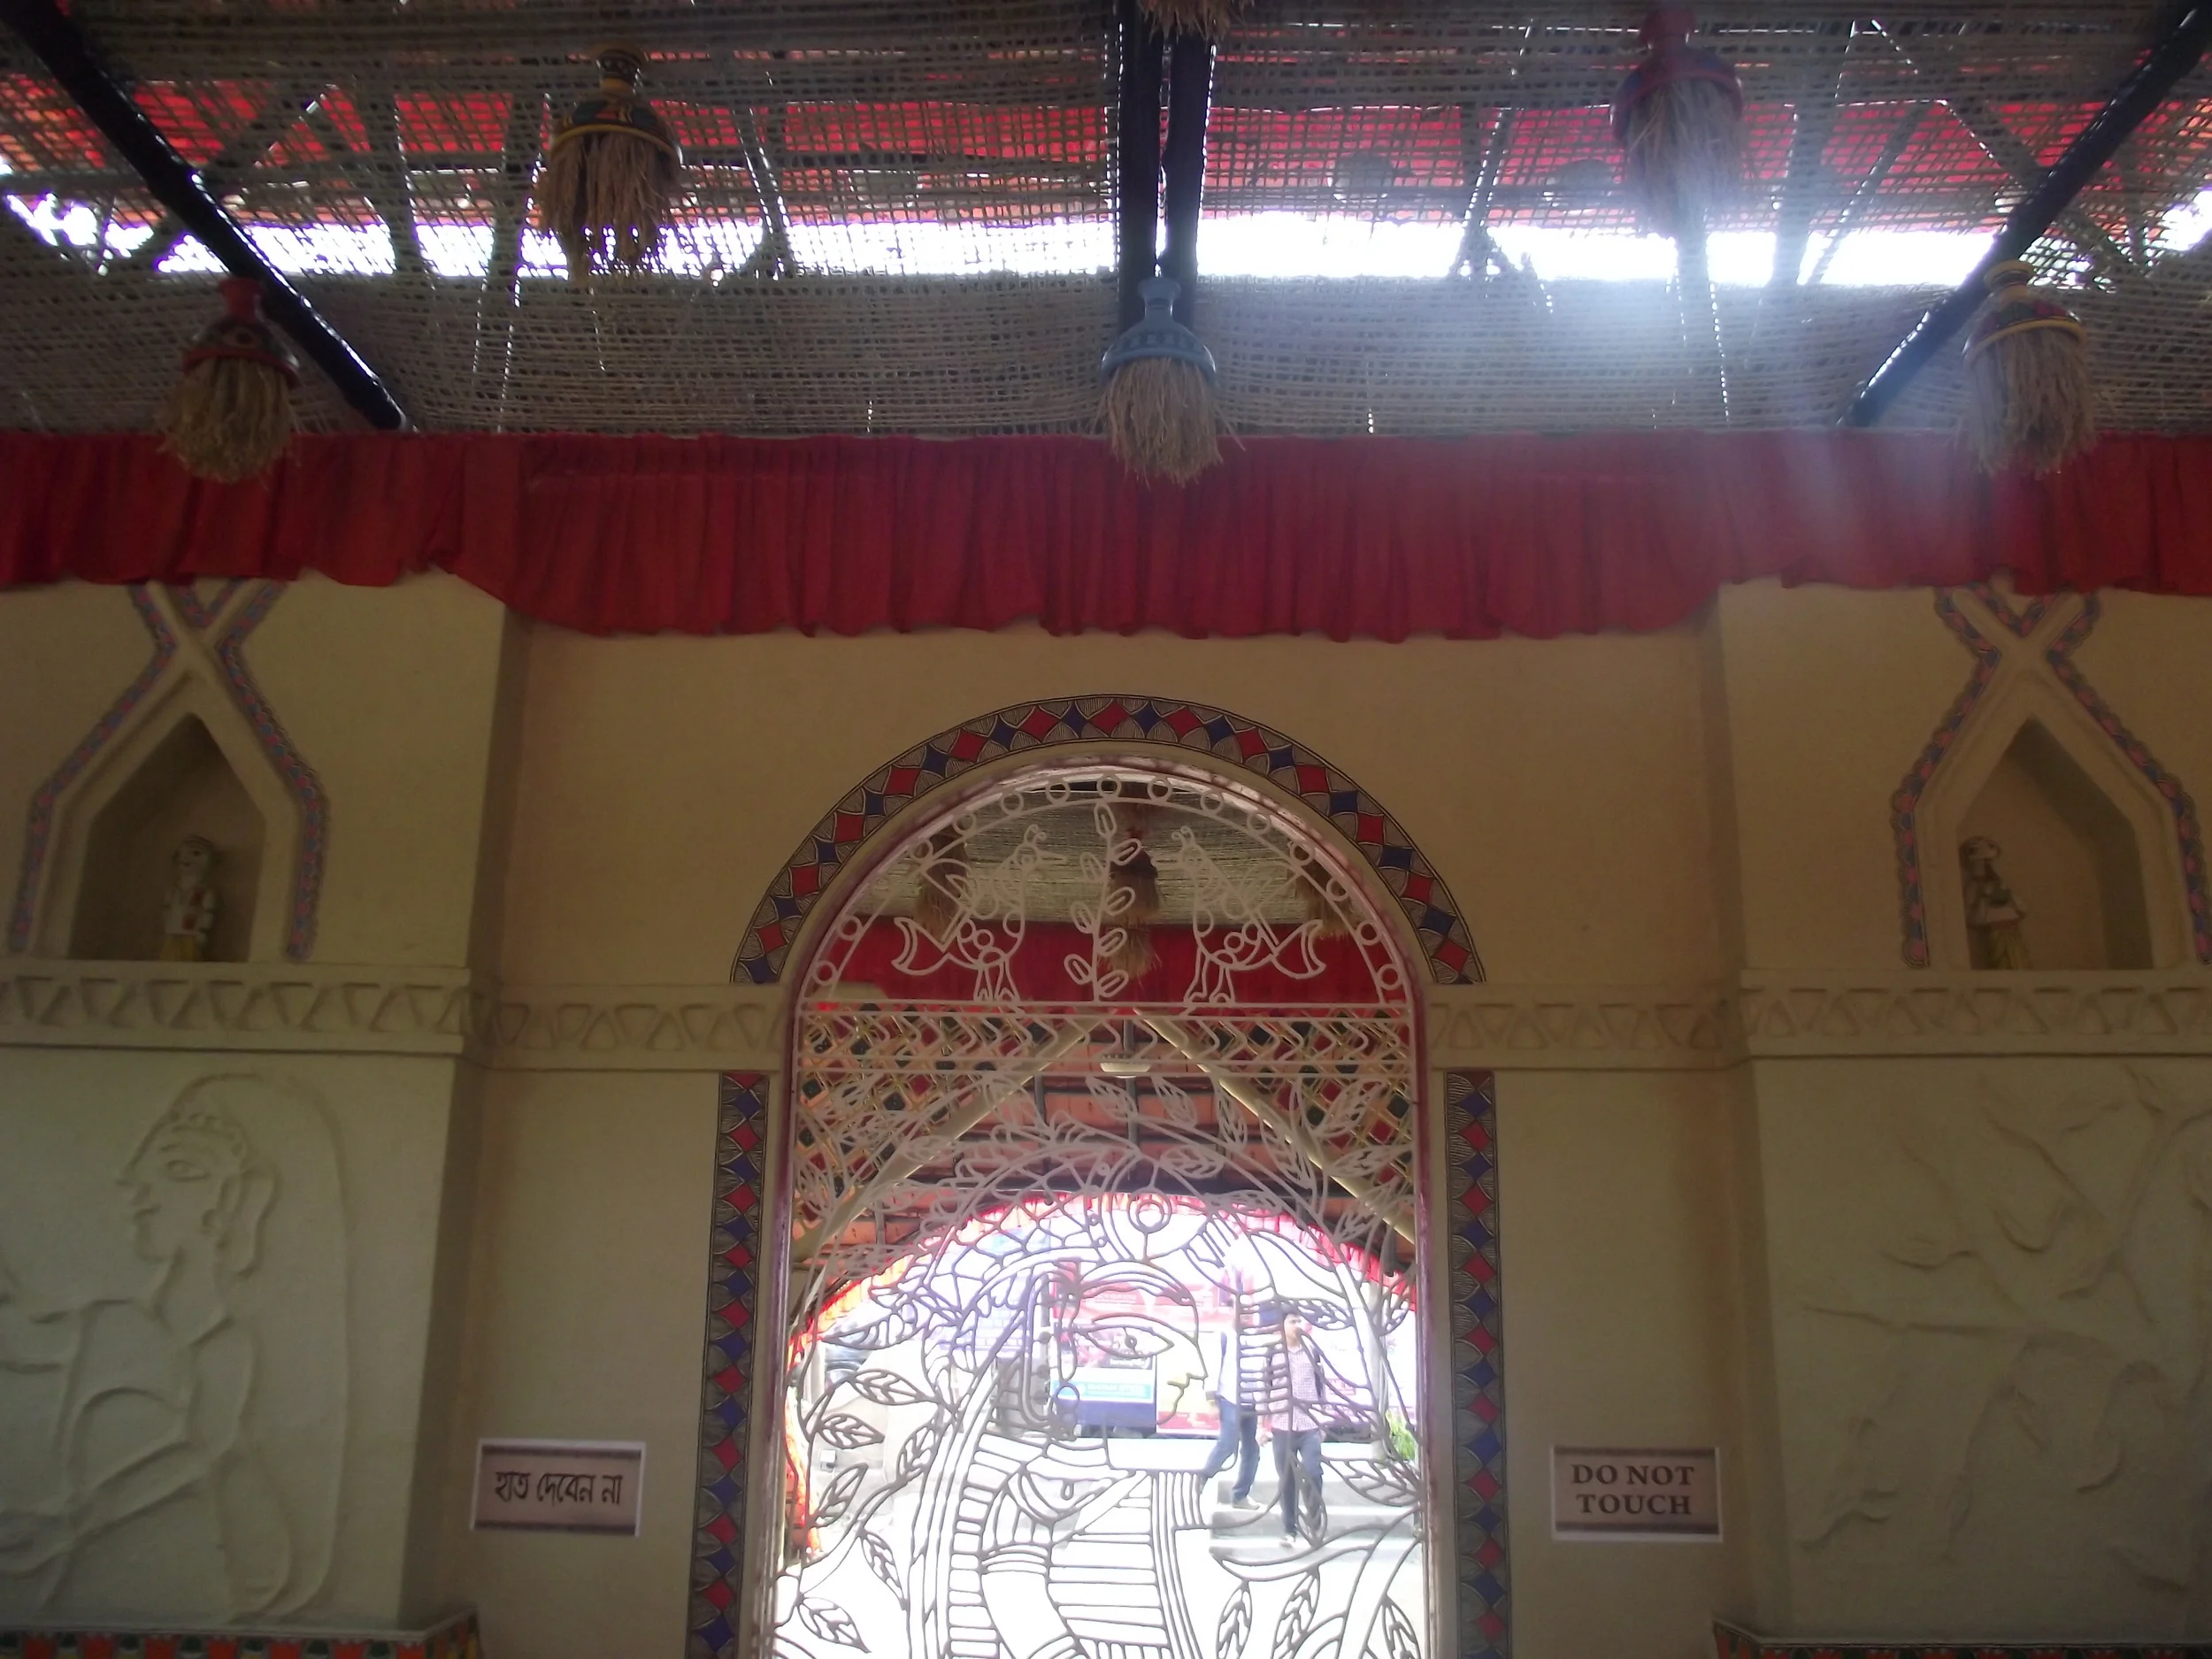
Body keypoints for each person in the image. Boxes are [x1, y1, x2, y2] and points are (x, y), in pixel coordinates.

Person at [1257, 1310, 1363, 1547]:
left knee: (1313, 1473)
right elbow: (1264, 1390)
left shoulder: (1312, 1351)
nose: (1297, 1325)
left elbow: (1322, 1388)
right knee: (1287, 1479)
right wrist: (1260, 1427)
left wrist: (1323, 1421)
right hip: (1282, 1426)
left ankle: (1314, 1524)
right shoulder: (1272, 1354)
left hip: (1310, 1425)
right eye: (1292, 1321)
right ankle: (1289, 1530)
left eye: (1299, 1321)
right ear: (1282, 1326)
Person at [1195, 1300, 1258, 1510]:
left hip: (1251, 1401)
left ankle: (1240, 1495)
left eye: (1248, 1311)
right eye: (1241, 1310)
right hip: (1229, 1398)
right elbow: (1212, 1369)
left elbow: (1259, 1370)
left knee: (1252, 1451)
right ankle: (1202, 1477)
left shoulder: (1254, 1338)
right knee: (1228, 1443)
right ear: (1231, 1311)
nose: (1245, 1315)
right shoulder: (1222, 1336)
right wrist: (1212, 1401)